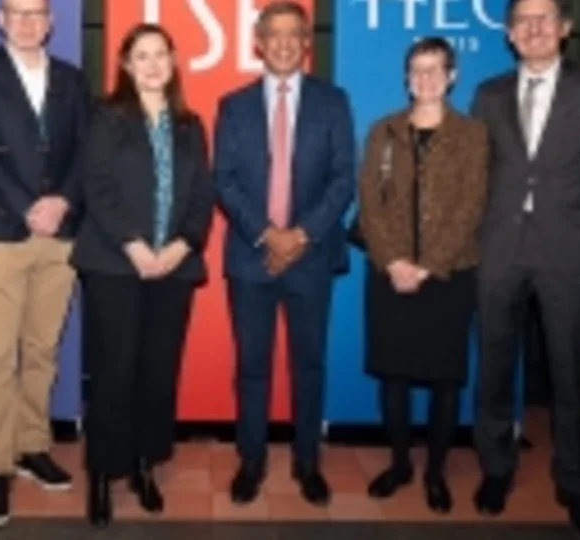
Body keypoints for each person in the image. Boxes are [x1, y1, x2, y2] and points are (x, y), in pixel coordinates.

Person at [471, 0, 580, 535]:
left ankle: (575, 484)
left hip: (572, 257)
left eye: (544, 18)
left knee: (572, 375)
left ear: (565, 30)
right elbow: (475, 176)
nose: (533, 28)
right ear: (509, 34)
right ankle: (496, 469)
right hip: (499, 253)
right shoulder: (489, 95)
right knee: (496, 370)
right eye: (523, 20)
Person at [72, 23, 214, 527]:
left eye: (161, 55)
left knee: (158, 369)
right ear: (126, 66)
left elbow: (202, 194)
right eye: (142, 56)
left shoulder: (190, 125)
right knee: (114, 370)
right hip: (115, 263)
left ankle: (143, 464)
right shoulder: (107, 118)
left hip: (174, 267)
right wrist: (134, 245)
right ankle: (102, 474)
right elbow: (97, 185)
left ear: (174, 63)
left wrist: (181, 245)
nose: (153, 65)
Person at [214, 1, 355, 506]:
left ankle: (307, 461)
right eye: (274, 34)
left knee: (308, 364)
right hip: (251, 257)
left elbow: (343, 179)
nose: (284, 43)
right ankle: (251, 460)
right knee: (252, 366)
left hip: (311, 256)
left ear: (306, 42)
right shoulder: (234, 105)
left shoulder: (332, 101)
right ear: (258, 41)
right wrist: (268, 235)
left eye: (294, 34)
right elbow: (224, 180)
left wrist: (299, 236)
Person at [0, 0, 90, 527]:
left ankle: (33, 445)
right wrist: (26, 205)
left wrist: (62, 202)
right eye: (18, 12)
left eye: (38, 13)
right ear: (0, 20)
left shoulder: (73, 80)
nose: (29, 22)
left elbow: (85, 150)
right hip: (2, 233)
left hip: (60, 235)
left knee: (41, 348)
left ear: (51, 21)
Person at [359, 37, 487, 514]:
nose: (426, 78)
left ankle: (435, 471)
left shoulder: (473, 135)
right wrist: (394, 261)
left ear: (452, 76)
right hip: (389, 273)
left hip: (449, 275)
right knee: (393, 376)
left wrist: (428, 266)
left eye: (435, 69)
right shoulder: (383, 132)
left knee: (445, 380)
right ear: (406, 77)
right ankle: (398, 464)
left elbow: (470, 207)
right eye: (417, 69)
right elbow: (369, 203)